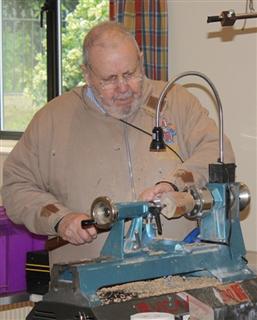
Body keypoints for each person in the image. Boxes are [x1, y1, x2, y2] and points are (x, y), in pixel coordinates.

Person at [1, 21, 235, 263]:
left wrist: (174, 183)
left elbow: (218, 152)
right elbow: (16, 186)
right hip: (90, 279)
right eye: (109, 79)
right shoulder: (52, 120)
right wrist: (60, 219)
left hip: (178, 270)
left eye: (130, 74)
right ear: (87, 74)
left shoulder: (175, 102)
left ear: (141, 60)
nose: (123, 88)